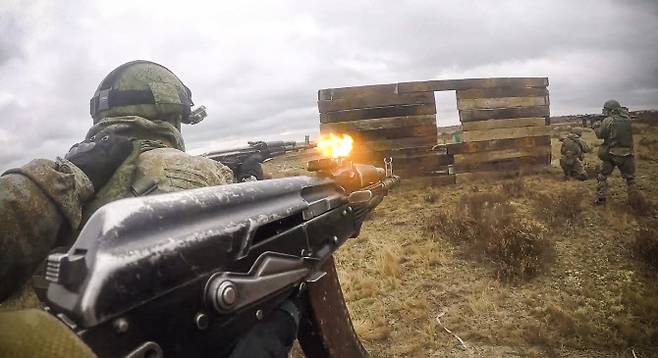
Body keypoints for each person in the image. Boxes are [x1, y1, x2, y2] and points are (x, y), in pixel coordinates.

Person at [0, 60, 298, 357]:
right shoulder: (202, 172)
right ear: (171, 115)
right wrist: (252, 182)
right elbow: (256, 237)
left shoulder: (66, 176)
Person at [592, 99, 635, 205]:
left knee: (602, 177)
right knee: (630, 179)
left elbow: (600, 135)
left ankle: (601, 199)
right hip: (628, 154)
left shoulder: (609, 120)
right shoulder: (627, 119)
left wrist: (596, 126)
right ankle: (635, 200)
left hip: (612, 154)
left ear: (611, 110)